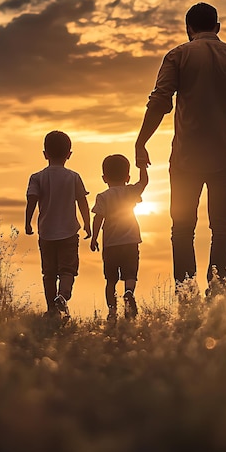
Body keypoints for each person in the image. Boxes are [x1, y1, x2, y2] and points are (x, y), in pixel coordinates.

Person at [135, 2, 226, 295]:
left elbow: (160, 102)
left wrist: (141, 141)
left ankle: (186, 293)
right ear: (217, 28)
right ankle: (217, 289)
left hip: (185, 159)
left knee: (182, 228)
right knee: (222, 228)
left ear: (188, 29)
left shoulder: (178, 55)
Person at [25, 130, 91, 319]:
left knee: (49, 273)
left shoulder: (37, 177)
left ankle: (51, 309)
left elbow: (32, 200)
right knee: (68, 270)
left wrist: (28, 223)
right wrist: (87, 224)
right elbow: (82, 202)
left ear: (45, 154)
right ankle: (62, 296)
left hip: (46, 232)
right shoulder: (73, 177)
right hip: (69, 232)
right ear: (69, 155)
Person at [90, 154, 148, 321]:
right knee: (130, 275)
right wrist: (143, 166)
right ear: (128, 177)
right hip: (130, 242)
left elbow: (98, 218)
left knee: (110, 280)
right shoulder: (130, 191)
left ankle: (112, 311)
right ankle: (129, 292)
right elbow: (144, 182)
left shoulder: (103, 196)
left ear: (104, 178)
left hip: (111, 245)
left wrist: (94, 238)